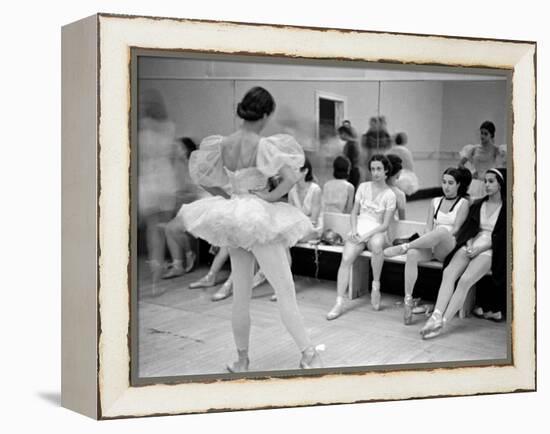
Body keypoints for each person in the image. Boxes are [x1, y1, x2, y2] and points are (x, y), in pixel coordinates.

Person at [176, 86, 322, 371]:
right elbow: (291, 178)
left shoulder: (223, 143)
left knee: (240, 293)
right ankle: (308, 353)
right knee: (285, 288)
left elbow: (199, 175)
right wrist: (268, 196)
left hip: (234, 215)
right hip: (256, 215)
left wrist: (226, 193)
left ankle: (242, 360)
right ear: (265, 114)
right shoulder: (262, 144)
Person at [419, 168, 506, 339]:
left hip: (491, 249)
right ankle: (436, 314)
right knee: (448, 272)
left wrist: (480, 248)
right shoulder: (478, 204)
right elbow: (468, 229)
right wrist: (469, 244)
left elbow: (502, 237)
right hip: (472, 244)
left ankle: (442, 322)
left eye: (491, 181)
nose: (486, 185)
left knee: (465, 280)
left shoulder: (507, 208)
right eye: (485, 181)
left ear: (501, 184)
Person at [384, 167, 472, 324]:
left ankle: (404, 246)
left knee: (443, 231)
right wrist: (427, 241)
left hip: (449, 248)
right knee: (412, 255)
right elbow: (427, 228)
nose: (446, 186)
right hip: (432, 245)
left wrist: (434, 237)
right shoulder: (435, 201)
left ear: (459, 184)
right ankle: (408, 300)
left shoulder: (463, 203)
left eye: (451, 183)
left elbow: (456, 230)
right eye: (444, 182)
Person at [326, 154, 397, 320]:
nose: (375, 172)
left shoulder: (390, 195)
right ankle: (339, 302)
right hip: (360, 227)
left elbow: (385, 225)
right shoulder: (363, 187)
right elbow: (354, 212)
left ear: (386, 171)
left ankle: (375, 286)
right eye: (373, 169)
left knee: (377, 245)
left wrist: (366, 235)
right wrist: (354, 229)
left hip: (377, 230)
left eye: (379, 169)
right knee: (346, 258)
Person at [137, 88, 178, 293]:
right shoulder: (169, 127)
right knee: (160, 232)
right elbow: (171, 156)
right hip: (166, 180)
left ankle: (154, 280)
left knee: (153, 233)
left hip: (148, 181)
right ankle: (157, 279)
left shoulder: (141, 128)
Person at [459, 121, 507, 200]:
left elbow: (505, 163)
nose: (482, 136)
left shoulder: (496, 149)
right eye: (481, 133)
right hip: (475, 183)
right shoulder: (473, 149)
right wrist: (470, 174)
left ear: (491, 135)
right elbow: (460, 165)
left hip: (488, 183)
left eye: (485, 134)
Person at [288, 158, 323, 238]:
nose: (292, 173)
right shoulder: (291, 191)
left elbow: (314, 221)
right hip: (297, 230)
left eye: (295, 169)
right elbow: (290, 217)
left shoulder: (315, 190)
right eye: (291, 169)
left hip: (313, 230)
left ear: (305, 171)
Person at [338, 125, 361, 190]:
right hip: (353, 171)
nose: (339, 137)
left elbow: (350, 161)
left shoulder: (351, 145)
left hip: (352, 172)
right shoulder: (351, 143)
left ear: (344, 133)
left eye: (340, 134)